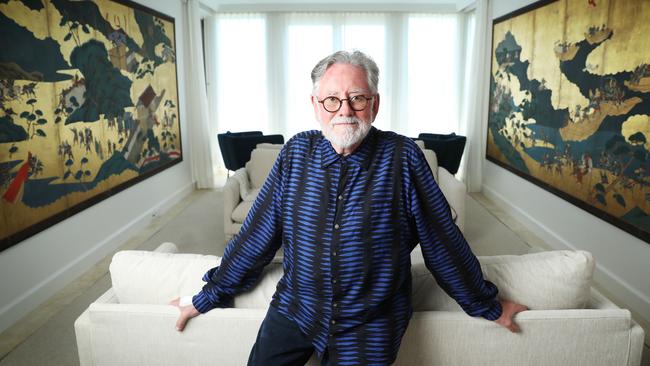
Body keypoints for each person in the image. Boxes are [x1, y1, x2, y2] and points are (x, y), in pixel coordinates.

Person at [171, 50, 527, 365]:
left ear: (374, 104)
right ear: (315, 105)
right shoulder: (295, 154)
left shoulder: (404, 158)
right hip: (297, 309)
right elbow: (256, 236)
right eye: (332, 100)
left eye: (357, 98)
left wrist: (488, 305)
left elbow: (442, 242)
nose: (344, 110)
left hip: (370, 324)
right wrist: (208, 296)